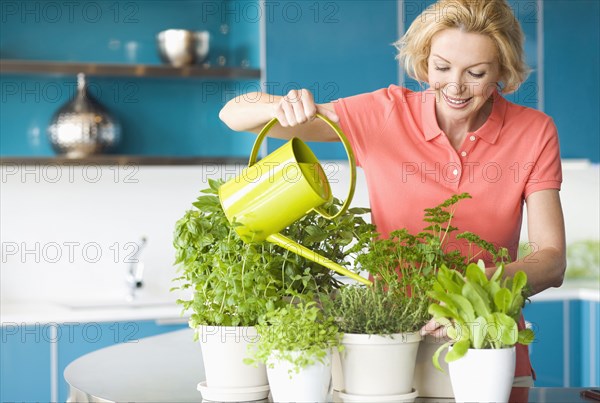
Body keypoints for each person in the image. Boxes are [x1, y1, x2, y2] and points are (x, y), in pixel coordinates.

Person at [219, 0, 566, 386]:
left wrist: (476, 292)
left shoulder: (534, 132)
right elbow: (234, 112)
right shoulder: (384, 116)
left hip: (490, 349)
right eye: (442, 67)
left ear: (502, 69)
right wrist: (282, 106)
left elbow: (551, 260)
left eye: (476, 73)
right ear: (423, 62)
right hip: (390, 349)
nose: (455, 86)